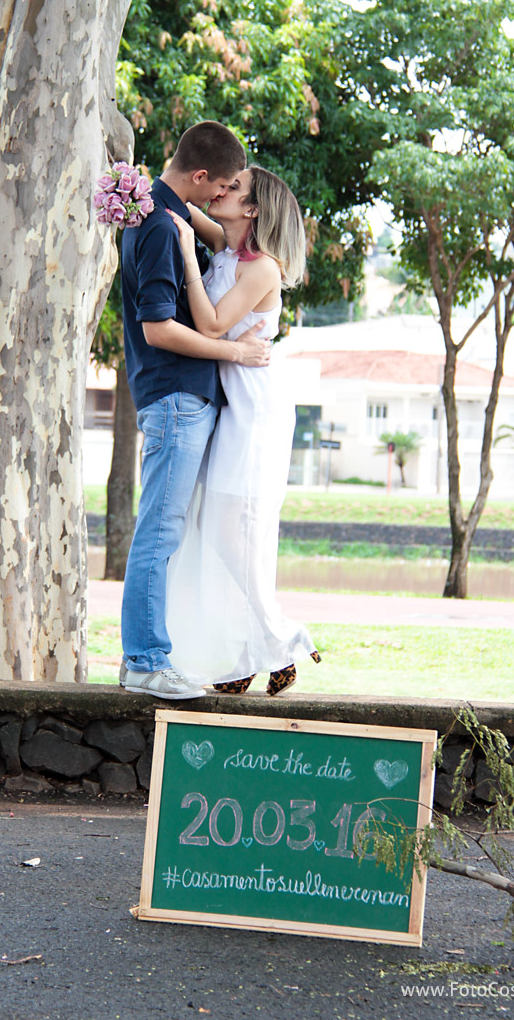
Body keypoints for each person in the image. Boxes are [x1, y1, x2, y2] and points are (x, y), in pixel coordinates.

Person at [119, 122, 272, 700]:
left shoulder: (162, 213)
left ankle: (148, 655)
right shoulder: (160, 224)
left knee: (169, 531)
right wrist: (236, 351)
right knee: (159, 532)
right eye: (223, 186)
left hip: (180, 397)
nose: (222, 196)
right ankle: (145, 660)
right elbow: (158, 329)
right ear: (202, 176)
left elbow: (224, 243)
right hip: (176, 398)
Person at [165, 165, 320, 695]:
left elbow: (210, 324)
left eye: (234, 188)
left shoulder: (262, 268)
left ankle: (273, 641)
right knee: (218, 527)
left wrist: (187, 255)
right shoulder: (227, 248)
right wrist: (136, 190)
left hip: (255, 408)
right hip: (232, 402)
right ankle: (261, 645)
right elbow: (183, 204)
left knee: (235, 528)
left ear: (253, 209)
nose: (222, 189)